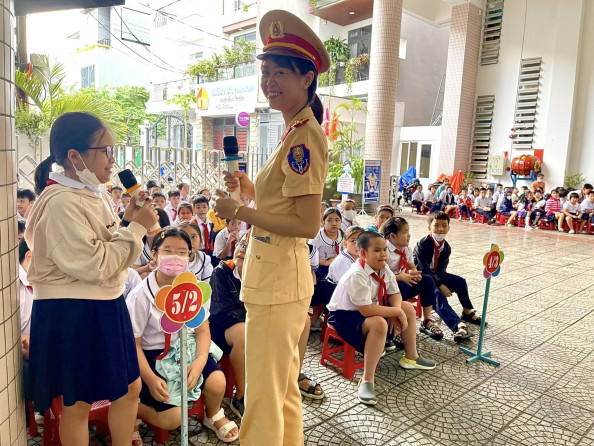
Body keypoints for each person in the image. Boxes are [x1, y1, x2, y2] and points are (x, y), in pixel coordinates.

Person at [212, 10, 330, 444]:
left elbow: (307, 223)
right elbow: (285, 204)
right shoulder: (293, 130)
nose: (269, 81)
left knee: (262, 397)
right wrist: (250, 191)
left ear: (307, 78)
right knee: (282, 392)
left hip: (278, 280)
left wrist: (239, 211)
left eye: (281, 72)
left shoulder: (303, 137)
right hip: (278, 277)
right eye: (265, 72)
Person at [25, 112, 158, 445]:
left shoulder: (91, 192)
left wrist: (128, 221)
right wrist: (136, 228)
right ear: (74, 156)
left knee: (130, 387)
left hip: (105, 303)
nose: (112, 160)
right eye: (105, 151)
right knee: (78, 403)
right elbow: (96, 264)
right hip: (73, 310)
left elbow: (107, 245)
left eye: (113, 150)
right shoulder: (60, 202)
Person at [126, 228, 239, 443]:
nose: (175, 257)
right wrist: (150, 378)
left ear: (190, 255)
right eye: (168, 250)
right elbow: (134, 343)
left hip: (187, 348)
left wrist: (199, 361)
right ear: (154, 255)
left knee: (217, 381)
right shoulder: (140, 296)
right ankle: (134, 409)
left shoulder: (195, 290)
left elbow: (202, 330)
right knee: (172, 418)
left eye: (182, 252)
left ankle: (213, 414)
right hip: (153, 357)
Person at [327, 231, 436, 405]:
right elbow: (365, 310)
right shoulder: (357, 273)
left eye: (384, 249)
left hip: (367, 308)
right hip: (344, 316)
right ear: (363, 253)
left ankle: (411, 356)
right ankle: (367, 380)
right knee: (379, 323)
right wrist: (394, 312)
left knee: (407, 308)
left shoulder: (384, 269)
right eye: (377, 250)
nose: (384, 254)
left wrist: (396, 310)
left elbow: (395, 293)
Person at [413, 212, 484, 334]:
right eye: (436, 225)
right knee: (437, 294)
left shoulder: (446, 247)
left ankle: (467, 311)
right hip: (422, 278)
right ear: (429, 227)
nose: (440, 229)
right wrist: (440, 285)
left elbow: (441, 269)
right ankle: (457, 326)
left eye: (444, 226)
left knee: (460, 282)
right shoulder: (422, 244)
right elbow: (423, 268)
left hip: (436, 275)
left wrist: (440, 282)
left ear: (449, 228)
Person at [382, 217, 445, 342]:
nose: (409, 235)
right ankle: (397, 325)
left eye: (408, 231)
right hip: (387, 288)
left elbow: (411, 267)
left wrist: (414, 273)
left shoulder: (406, 249)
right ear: (393, 236)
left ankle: (426, 320)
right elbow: (380, 275)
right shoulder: (384, 251)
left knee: (427, 280)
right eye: (404, 232)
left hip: (404, 280)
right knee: (402, 285)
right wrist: (400, 277)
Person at [309, 207, 343, 329]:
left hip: (339, 267)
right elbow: (309, 256)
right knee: (326, 287)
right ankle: (316, 318)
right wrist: (326, 262)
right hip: (321, 268)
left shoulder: (343, 235)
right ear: (323, 222)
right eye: (329, 220)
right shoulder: (317, 237)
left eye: (337, 220)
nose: (334, 223)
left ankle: (338, 317)